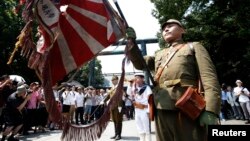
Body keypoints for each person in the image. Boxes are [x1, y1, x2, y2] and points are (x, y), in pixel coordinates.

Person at [126, 19, 221, 141]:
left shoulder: (194, 47)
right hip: (160, 109)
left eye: (170, 26)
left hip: (187, 108)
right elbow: (140, 63)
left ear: (183, 30)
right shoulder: (160, 54)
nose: (166, 29)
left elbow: (209, 78)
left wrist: (211, 110)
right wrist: (131, 43)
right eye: (164, 28)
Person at [126, 73, 152, 141]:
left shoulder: (147, 88)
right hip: (137, 110)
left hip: (144, 109)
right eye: (135, 78)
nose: (136, 79)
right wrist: (130, 84)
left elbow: (150, 100)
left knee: (146, 128)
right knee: (139, 127)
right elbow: (128, 93)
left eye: (137, 78)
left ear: (142, 79)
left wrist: (149, 111)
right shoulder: (134, 88)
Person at [103, 75, 123, 140]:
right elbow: (109, 96)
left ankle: (119, 135)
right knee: (114, 120)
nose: (113, 81)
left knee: (118, 121)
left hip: (118, 106)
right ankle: (116, 134)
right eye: (112, 80)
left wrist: (120, 106)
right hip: (113, 107)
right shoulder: (112, 88)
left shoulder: (119, 87)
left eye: (114, 80)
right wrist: (104, 100)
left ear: (117, 80)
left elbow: (120, 97)